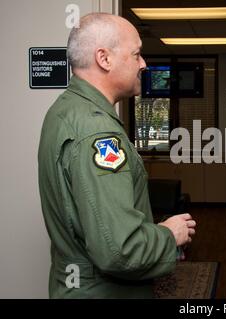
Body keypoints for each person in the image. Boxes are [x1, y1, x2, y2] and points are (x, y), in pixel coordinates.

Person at [38, 13, 196, 298]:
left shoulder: (65, 110)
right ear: (104, 58)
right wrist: (169, 235)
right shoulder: (96, 131)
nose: (144, 64)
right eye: (136, 54)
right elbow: (119, 250)